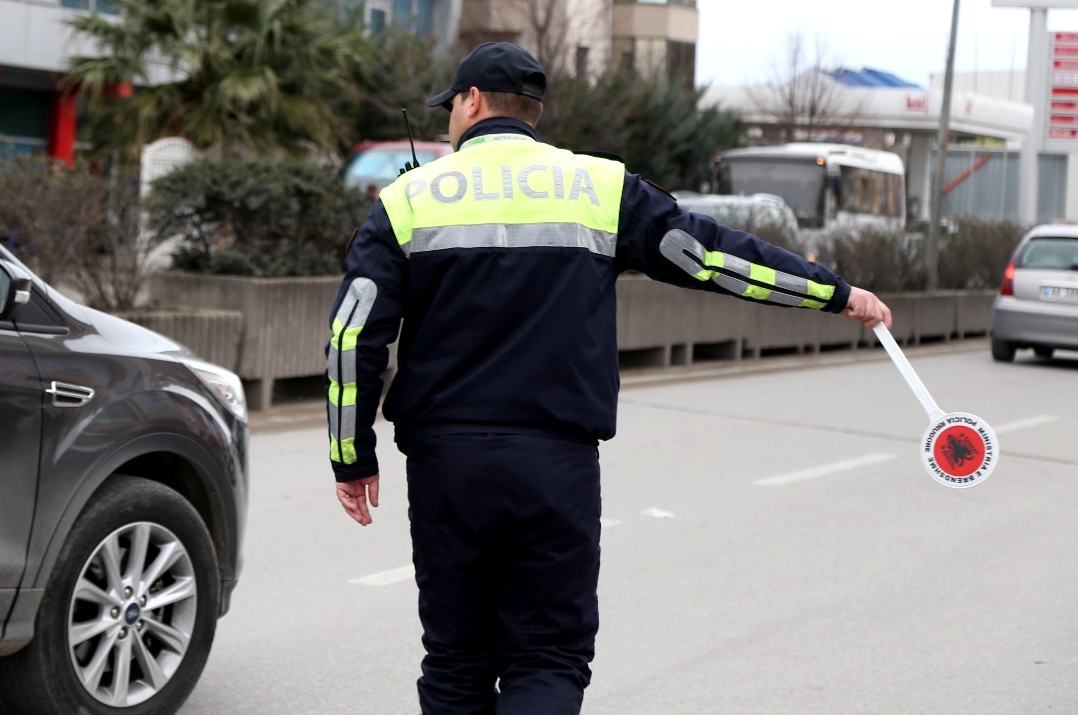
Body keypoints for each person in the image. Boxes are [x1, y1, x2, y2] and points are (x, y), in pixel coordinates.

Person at [324, 42, 891, 715]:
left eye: (450, 105)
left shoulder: (407, 199)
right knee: (547, 657)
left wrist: (349, 454)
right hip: (554, 463)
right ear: (531, 111)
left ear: (471, 101)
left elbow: (351, 334)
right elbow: (710, 256)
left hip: (447, 463)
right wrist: (833, 292)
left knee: (455, 659)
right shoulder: (600, 187)